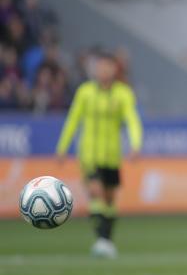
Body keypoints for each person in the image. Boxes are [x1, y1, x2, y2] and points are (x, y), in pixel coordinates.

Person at [56, 51, 143, 258]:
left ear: (114, 69)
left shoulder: (123, 93)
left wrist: (135, 145)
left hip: (112, 156)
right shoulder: (85, 92)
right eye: (100, 66)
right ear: (95, 69)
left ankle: (107, 240)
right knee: (96, 193)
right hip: (89, 155)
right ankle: (102, 240)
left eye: (108, 66)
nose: (104, 70)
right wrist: (62, 147)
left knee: (110, 201)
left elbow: (132, 120)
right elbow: (73, 120)